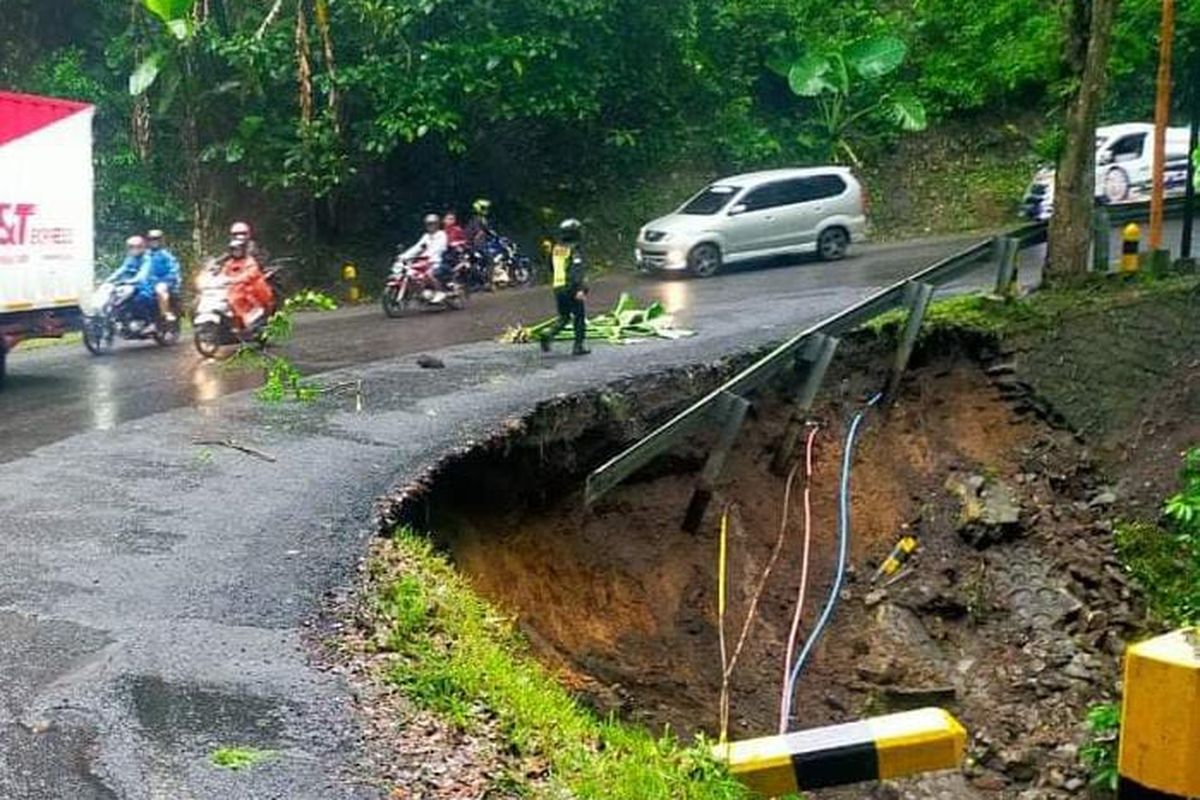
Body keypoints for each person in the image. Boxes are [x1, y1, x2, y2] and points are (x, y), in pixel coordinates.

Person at [540, 218, 589, 356]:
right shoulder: (575, 250)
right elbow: (576, 270)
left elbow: (551, 266)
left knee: (564, 316)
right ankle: (578, 346)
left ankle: (549, 334)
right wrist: (581, 289)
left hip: (558, 286)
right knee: (579, 316)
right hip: (571, 286)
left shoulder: (556, 249)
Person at [220, 238, 274, 330]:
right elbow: (223, 273)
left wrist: (236, 279)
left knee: (237, 298)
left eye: (238, 250)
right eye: (234, 250)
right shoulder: (229, 263)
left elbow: (250, 273)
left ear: (243, 250)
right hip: (234, 289)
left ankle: (251, 320)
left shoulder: (249, 261)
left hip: (248, 290)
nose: (236, 252)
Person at [400, 213, 449, 302]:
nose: (430, 226)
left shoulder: (442, 235)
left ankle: (440, 291)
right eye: (428, 224)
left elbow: (439, 248)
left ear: (437, 224)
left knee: (429, 274)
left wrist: (427, 256)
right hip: (424, 262)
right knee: (411, 274)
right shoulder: (426, 236)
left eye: (432, 224)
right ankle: (422, 292)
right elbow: (417, 247)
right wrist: (404, 256)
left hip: (437, 261)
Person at [144, 229, 181, 322]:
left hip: (162, 282)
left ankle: (165, 313)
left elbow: (174, 271)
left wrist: (165, 280)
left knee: (160, 289)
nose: (153, 241)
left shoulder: (166, 256)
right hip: (145, 284)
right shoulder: (144, 255)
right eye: (151, 239)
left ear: (161, 240)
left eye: (156, 239)